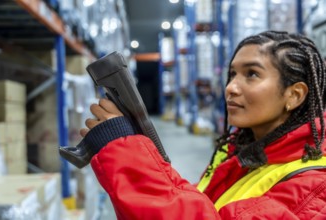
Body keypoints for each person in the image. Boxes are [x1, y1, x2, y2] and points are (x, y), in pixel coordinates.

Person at [79, 30, 326, 219]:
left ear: (294, 95)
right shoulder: (244, 154)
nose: (231, 87)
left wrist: (128, 156)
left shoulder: (314, 188)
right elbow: (200, 203)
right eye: (232, 75)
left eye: (252, 74)